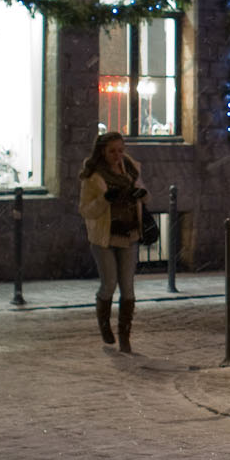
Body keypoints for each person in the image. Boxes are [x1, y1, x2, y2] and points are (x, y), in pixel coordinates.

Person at [79, 131, 148, 352]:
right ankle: (104, 325)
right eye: (112, 151)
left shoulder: (131, 168)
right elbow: (85, 210)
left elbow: (146, 194)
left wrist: (140, 194)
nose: (118, 155)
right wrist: (104, 199)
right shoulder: (93, 176)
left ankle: (125, 336)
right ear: (102, 152)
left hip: (129, 234)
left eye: (121, 149)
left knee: (128, 288)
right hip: (105, 236)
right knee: (109, 284)